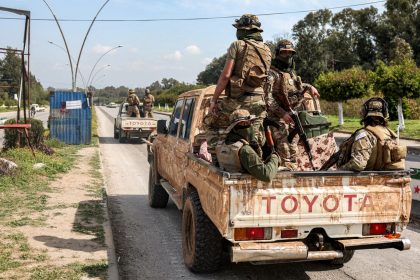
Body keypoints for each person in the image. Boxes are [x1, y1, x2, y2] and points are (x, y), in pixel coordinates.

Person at [207, 14, 272, 147]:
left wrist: (213, 101)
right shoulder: (267, 49)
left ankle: (217, 154)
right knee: (255, 134)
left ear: (243, 30)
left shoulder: (237, 45)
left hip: (238, 100)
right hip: (259, 102)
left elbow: (225, 76)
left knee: (210, 122)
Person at [265, 39, 320, 170]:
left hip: (292, 116)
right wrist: (282, 113)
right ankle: (284, 175)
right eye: (284, 53)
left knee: (294, 148)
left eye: (290, 53)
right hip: (276, 118)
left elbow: (296, 88)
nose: (287, 56)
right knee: (284, 150)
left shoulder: (291, 73)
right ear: (278, 53)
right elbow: (267, 98)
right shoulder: (272, 74)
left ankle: (294, 173)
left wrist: (309, 87)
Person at [334, 97, 406, 171]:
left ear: (364, 114)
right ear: (385, 114)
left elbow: (358, 165)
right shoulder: (391, 134)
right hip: (387, 178)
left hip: (367, 179)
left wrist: (340, 170)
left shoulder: (363, 134)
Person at [216, 109, 279, 182]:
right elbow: (266, 175)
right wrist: (275, 157)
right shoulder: (244, 149)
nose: (250, 126)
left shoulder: (222, 144)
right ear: (235, 128)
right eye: (244, 124)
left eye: (249, 123)